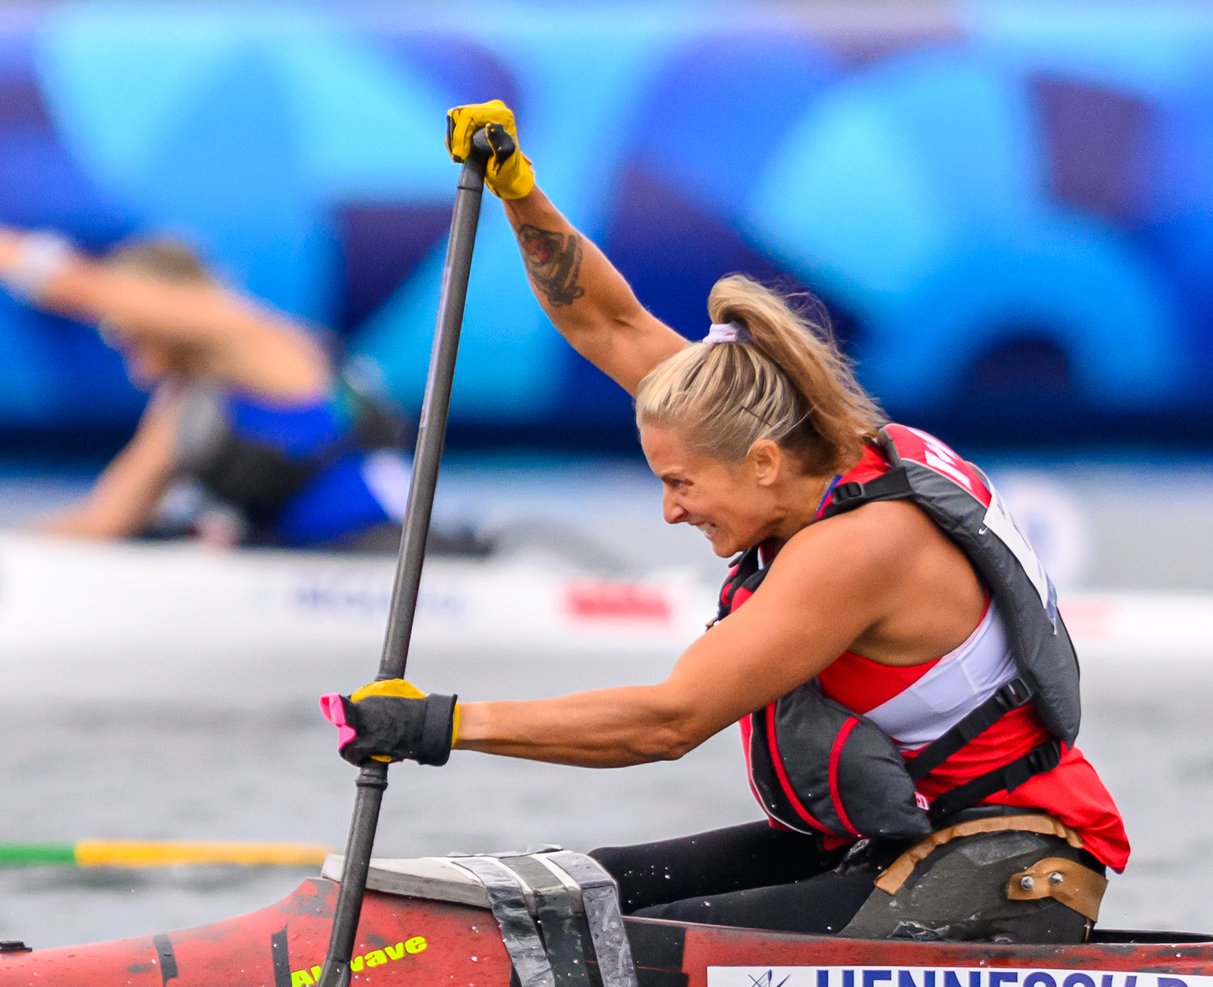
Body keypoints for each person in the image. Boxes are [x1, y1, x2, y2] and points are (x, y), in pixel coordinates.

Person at [321, 101, 1129, 943]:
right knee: (583, 892)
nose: (671, 509)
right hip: (901, 835)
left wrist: (440, 723)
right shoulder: (761, 426)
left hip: (1004, 868)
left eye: (679, 483)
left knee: (606, 948)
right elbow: (609, 322)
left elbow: (670, 720)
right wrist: (518, 190)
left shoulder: (860, 546)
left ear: (764, 463)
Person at [0, 227, 415, 549]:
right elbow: (103, 521)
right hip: (311, 571)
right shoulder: (186, 409)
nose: (117, 336)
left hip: (393, 555)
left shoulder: (252, 336)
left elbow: (79, 287)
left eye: (124, 324)